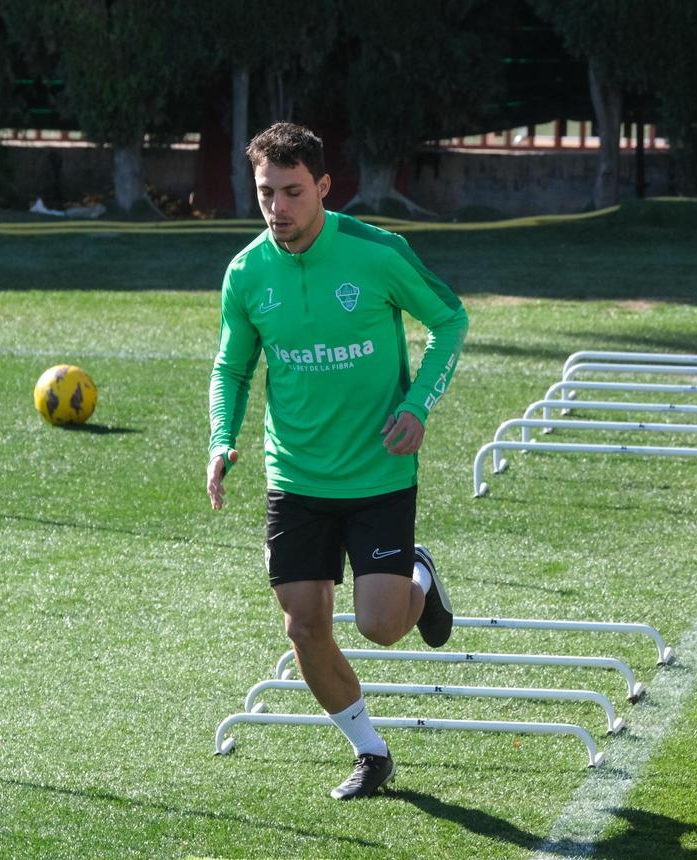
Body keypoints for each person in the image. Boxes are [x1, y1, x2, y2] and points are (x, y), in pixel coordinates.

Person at [206, 122, 469, 800]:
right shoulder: (246, 272)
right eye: (266, 193)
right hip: (295, 477)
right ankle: (371, 753)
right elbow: (232, 368)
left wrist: (416, 407)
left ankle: (419, 573)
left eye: (293, 192)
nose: (278, 209)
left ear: (324, 186)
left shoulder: (375, 253)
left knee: (382, 626)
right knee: (302, 625)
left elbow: (450, 320)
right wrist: (220, 438)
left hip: (378, 471)